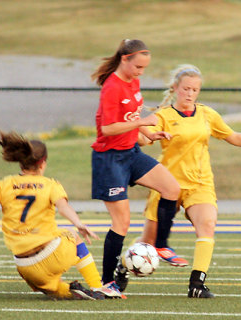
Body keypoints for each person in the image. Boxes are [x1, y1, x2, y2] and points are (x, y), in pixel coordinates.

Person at [138, 64, 241, 298]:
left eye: (195, 90)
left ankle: (197, 284)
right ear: (176, 88)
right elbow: (144, 139)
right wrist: (131, 131)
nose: (190, 93)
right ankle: (121, 273)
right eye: (186, 88)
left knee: (207, 225)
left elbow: (233, 136)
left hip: (200, 184)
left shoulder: (207, 114)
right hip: (167, 184)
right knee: (149, 242)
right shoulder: (163, 116)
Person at [0, 131, 123, 300]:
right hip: (51, 255)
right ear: (42, 162)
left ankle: (69, 290)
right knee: (72, 236)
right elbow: (63, 207)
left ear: (21, 161)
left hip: (25, 266)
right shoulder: (49, 184)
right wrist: (78, 223)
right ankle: (97, 288)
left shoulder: (4, 184)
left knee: (50, 289)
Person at [90, 39, 187, 292]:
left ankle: (160, 245)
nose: (140, 72)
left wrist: (148, 134)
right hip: (110, 159)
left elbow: (130, 119)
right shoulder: (112, 86)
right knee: (122, 223)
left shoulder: (134, 82)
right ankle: (108, 282)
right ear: (125, 59)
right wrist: (142, 122)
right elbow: (108, 129)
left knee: (171, 189)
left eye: (144, 68)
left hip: (131, 153)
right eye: (138, 67)